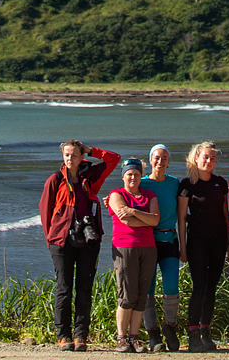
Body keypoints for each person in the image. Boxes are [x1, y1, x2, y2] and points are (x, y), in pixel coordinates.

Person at [41, 138, 122, 352]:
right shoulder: (55, 179)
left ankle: (81, 336)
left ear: (81, 157)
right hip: (61, 241)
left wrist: (91, 149)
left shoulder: (90, 177)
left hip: (88, 240)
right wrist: (51, 239)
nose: (69, 158)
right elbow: (45, 210)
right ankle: (63, 335)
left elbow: (114, 159)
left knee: (85, 288)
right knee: (64, 287)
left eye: (74, 155)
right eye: (66, 155)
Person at [180, 140, 229, 353]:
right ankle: (193, 335)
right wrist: (183, 247)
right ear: (196, 158)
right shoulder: (187, 185)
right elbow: (181, 218)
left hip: (218, 242)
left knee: (212, 288)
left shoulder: (221, 183)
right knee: (199, 287)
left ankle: (205, 332)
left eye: (212, 158)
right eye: (206, 157)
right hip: (197, 243)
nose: (209, 161)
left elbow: (225, 215)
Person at [110, 157, 162, 353]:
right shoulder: (116, 194)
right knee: (127, 293)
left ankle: (134, 337)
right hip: (125, 247)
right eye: (129, 174)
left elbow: (156, 220)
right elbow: (126, 222)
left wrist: (134, 212)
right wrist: (144, 218)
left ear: (141, 176)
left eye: (137, 174)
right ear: (123, 176)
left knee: (141, 294)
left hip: (148, 247)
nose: (133, 177)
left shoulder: (149, 194)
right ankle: (121, 337)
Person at [142, 144, 184, 352]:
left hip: (169, 239)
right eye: (157, 158)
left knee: (171, 287)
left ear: (169, 161)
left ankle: (170, 327)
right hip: (147, 241)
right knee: (147, 289)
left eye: (165, 158)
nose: (160, 161)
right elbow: (123, 196)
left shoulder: (174, 183)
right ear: (150, 160)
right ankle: (153, 334)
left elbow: (184, 211)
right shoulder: (140, 183)